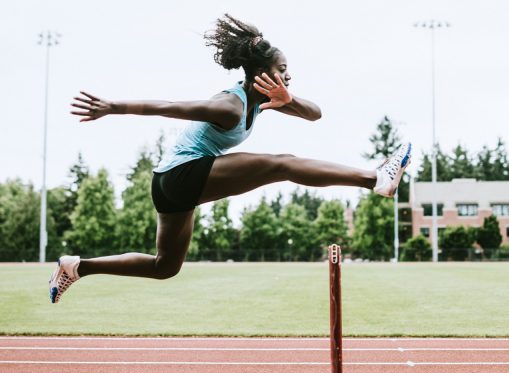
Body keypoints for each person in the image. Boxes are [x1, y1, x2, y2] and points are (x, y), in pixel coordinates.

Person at [49, 14, 411, 303]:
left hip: (170, 185)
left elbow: (315, 114)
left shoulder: (263, 101)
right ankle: (375, 179)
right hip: (181, 174)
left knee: (165, 267)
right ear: (260, 73)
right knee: (281, 163)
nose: (289, 75)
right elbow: (172, 106)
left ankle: (76, 267)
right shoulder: (232, 105)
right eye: (283, 69)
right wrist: (113, 106)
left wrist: (288, 99)